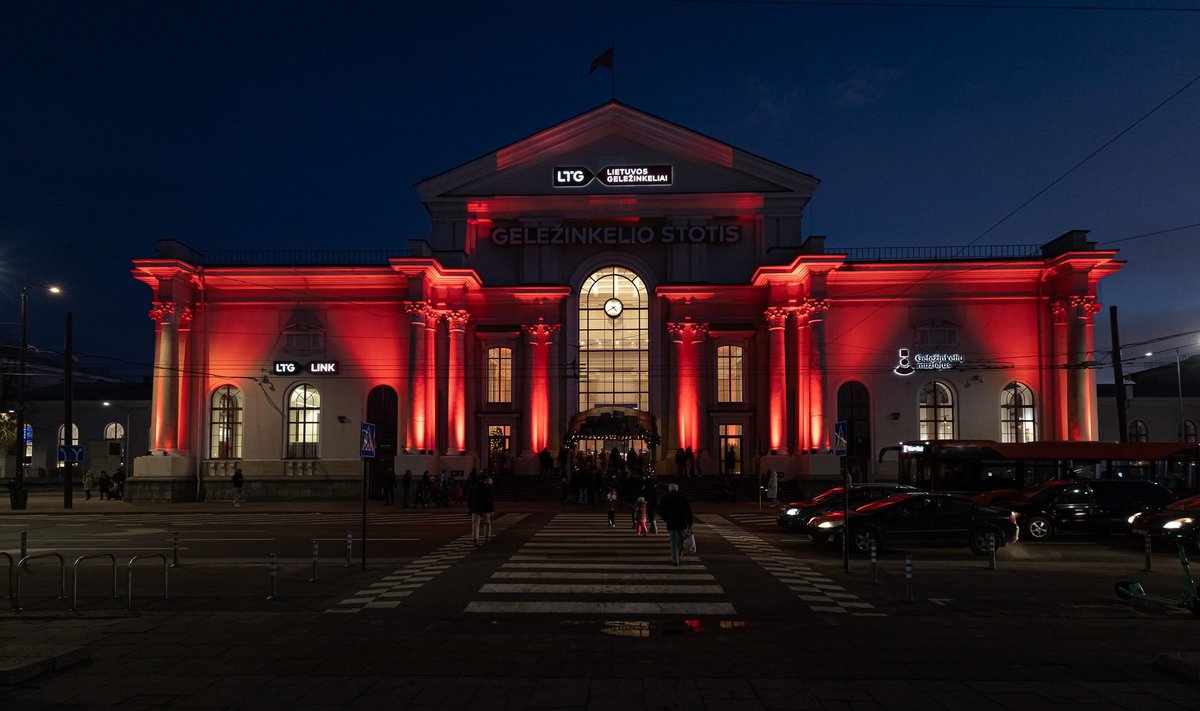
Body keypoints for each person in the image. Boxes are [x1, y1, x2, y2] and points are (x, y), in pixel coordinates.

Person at [658, 482, 694, 566]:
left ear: (670, 489)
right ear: (677, 489)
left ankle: (675, 559)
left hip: (671, 521)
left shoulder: (666, 498)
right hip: (682, 521)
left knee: (673, 541)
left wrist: (665, 518)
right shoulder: (683, 498)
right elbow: (689, 511)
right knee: (680, 540)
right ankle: (679, 556)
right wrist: (690, 522)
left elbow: (660, 510)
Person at [469, 475, 495, 545]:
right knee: (487, 523)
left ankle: (475, 539)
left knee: (475, 524)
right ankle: (486, 537)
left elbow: (470, 498)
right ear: (486, 480)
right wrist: (492, 510)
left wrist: (470, 508)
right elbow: (490, 499)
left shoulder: (473, 487)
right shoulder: (487, 488)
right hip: (485, 508)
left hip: (475, 508)